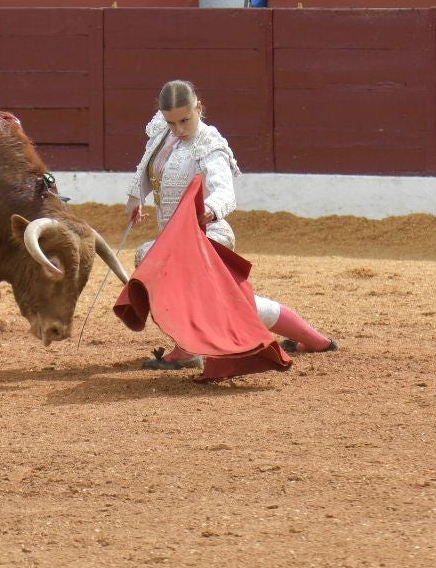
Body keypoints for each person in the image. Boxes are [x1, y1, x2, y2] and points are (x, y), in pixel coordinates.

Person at [126, 79, 337, 370]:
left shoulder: (209, 144)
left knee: (176, 280)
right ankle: (312, 339)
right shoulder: (162, 134)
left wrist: (210, 210)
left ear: (199, 107)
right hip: (173, 241)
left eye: (185, 120)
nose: (179, 129)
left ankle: (187, 349)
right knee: (226, 303)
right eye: (172, 122)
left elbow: (225, 192)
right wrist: (135, 197)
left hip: (209, 235)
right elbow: (148, 167)